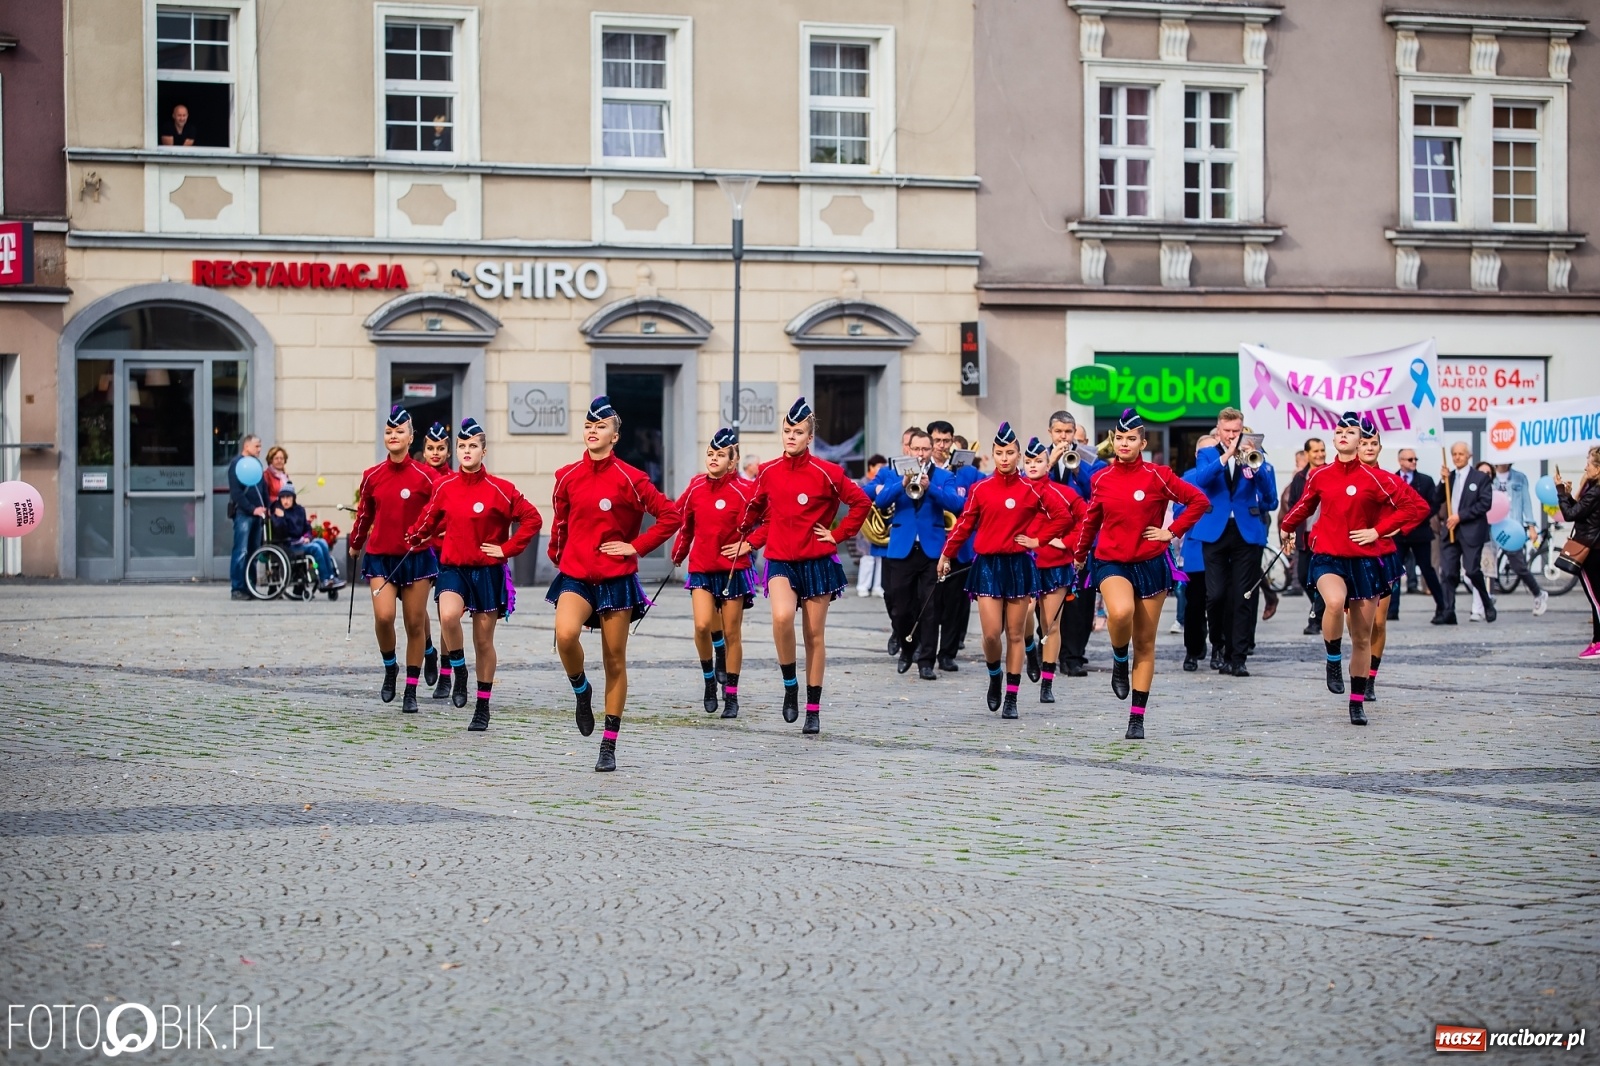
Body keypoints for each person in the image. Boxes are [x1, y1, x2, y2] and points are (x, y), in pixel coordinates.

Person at [545, 397, 681, 768]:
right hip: (576, 575)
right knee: (565, 635)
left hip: (616, 578)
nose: (593, 431)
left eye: (601, 426)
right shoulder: (567, 476)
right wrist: (558, 554)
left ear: (615, 436)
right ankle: (581, 688)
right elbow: (560, 522)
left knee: (614, 661)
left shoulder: (632, 479)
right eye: (589, 425)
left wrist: (636, 546)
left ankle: (608, 745)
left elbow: (670, 516)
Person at [1280, 413, 1430, 725]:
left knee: (1362, 637)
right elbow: (1305, 505)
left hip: (1364, 561)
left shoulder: (1377, 478)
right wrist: (1286, 527)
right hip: (1329, 556)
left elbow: (1416, 507)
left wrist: (1380, 530)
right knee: (1334, 602)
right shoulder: (1320, 475)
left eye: (1350, 432)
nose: (1343, 435)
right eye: (1339, 431)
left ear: (1360, 442)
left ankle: (1357, 701)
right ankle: (1333, 659)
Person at [1071, 409, 1209, 740]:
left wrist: (1171, 532)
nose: (1124, 443)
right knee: (1121, 612)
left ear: (1143, 443)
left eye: (1131, 438)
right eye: (1119, 438)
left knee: (1145, 643)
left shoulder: (1158, 475)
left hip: (1150, 563)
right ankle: (1119, 658)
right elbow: (1091, 520)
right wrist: (1079, 555)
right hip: (1111, 561)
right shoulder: (1101, 478)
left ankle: (1137, 718)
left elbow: (1198, 501)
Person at [737, 397, 872, 735]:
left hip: (817, 561)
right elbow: (755, 506)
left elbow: (861, 502)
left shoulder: (828, 472)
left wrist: (837, 534)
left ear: (810, 437)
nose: (791, 437)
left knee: (814, 635)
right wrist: (745, 529)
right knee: (782, 617)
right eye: (787, 431)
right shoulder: (768, 470)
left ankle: (813, 708)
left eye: (798, 432)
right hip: (780, 558)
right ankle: (790, 684)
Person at [408, 417, 541, 732]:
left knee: (483, 642)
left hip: (487, 573)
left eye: (472, 446)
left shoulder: (501, 489)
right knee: (447, 616)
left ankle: (482, 707)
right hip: (453, 568)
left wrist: (506, 549)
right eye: (462, 446)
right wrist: (414, 535)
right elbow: (428, 519)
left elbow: (532, 519)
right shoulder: (445, 486)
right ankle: (459, 669)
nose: (466, 451)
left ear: (484, 451)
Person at [938, 429, 1064, 719]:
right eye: (999, 453)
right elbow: (964, 524)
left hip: (1018, 566)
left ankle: (1012, 697)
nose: (1004, 458)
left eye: (1009, 453)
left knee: (1016, 634)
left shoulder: (1032, 488)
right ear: (993, 455)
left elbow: (1063, 517)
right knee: (992, 634)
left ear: (1018, 455)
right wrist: (946, 554)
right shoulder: (981, 488)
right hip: (987, 566)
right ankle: (995, 675)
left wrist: (1038, 540)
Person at [349, 406, 438, 713]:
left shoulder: (428, 476)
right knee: (384, 617)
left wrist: (430, 535)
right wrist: (355, 543)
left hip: (416, 559)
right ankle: (390, 667)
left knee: (415, 623)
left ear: (411, 438)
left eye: (400, 431)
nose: (393, 436)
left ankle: (410, 690)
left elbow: (440, 513)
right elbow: (364, 514)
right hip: (380, 557)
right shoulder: (372, 476)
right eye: (389, 432)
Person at [672, 427, 760, 719]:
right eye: (710, 453)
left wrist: (749, 544)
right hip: (701, 567)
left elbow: (769, 519)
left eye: (720, 455)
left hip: (733, 569)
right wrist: (679, 553)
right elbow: (684, 522)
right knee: (702, 626)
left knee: (732, 632)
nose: (713, 458)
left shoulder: (746, 489)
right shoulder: (696, 486)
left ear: (733, 461)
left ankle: (731, 695)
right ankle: (709, 679)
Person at [1185, 408, 1278, 677]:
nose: (1232, 435)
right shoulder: (1208, 453)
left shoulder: (1256, 455)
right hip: (1215, 530)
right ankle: (1219, 644)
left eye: (1236, 431)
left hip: (1246, 531)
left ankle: (1237, 658)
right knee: (1215, 595)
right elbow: (1203, 479)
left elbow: (1270, 499)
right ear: (1218, 430)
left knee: (1242, 595)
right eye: (1227, 431)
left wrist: (1256, 466)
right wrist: (1226, 455)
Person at [876, 429, 966, 680]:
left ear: (932, 450)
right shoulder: (894, 472)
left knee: (930, 608)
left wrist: (931, 488)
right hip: (902, 548)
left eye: (925, 449)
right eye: (916, 449)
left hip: (931, 551)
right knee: (900, 608)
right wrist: (903, 483)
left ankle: (926, 661)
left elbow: (957, 505)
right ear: (908, 449)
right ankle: (907, 649)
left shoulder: (945, 476)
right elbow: (881, 502)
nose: (921, 454)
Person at [1356, 422, 1428, 702]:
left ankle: (1369, 679)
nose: (1369, 448)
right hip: (1350, 556)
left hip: (1383, 556)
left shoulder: (1389, 479)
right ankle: (1356, 671)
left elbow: (1420, 507)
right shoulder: (1343, 477)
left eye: (1373, 443)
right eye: (1364, 443)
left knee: (1378, 623)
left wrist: (1396, 528)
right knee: (1356, 627)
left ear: (1380, 447)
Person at [1019, 436, 1086, 703]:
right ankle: (1029, 649)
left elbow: (1087, 519)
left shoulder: (1064, 493)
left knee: (1050, 624)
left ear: (1049, 464)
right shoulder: (1014, 491)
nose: (1033, 465)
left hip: (1054, 564)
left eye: (1038, 461)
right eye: (1028, 461)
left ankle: (1047, 681)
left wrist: (1067, 542)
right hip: (1022, 564)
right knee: (1022, 618)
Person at [1045, 410, 1105, 681]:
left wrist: (1077, 468)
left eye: (1068, 432)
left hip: (1080, 540)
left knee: (1081, 602)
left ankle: (1074, 657)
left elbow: (1096, 492)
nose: (1063, 437)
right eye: (1058, 432)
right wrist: (1049, 463)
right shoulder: (1039, 456)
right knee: (1047, 599)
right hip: (1047, 540)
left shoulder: (1091, 460)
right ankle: (1048, 653)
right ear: (1050, 433)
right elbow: (1030, 489)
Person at [928, 420, 983, 671]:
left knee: (955, 606)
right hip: (929, 546)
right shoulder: (922, 468)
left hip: (959, 549)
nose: (941, 445)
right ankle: (923, 648)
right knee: (929, 602)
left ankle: (947, 654)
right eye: (937, 441)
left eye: (946, 441)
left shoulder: (967, 472)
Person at [1435, 441, 1496, 625]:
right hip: (1451, 531)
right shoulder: (1450, 477)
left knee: (1472, 570)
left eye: (1461, 454)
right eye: (1454, 454)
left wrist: (1460, 516)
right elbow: (1437, 498)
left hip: (1471, 531)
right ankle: (1448, 611)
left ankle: (1487, 602)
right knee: (1448, 572)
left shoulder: (1480, 478)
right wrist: (1443, 481)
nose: (1457, 457)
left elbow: (1484, 504)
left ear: (1469, 456)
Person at [416, 421, 455, 698]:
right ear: (424, 450)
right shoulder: (416, 477)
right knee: (416, 611)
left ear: (448, 452)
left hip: (446, 552)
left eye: (440, 448)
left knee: (445, 614)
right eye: (431, 448)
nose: (435, 453)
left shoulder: (455, 479)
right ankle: (428, 650)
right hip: (422, 550)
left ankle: (446, 673)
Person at [1176, 436, 1219, 671]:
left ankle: (1219, 649)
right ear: (1196, 455)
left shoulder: (1224, 476)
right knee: (1194, 604)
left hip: (1220, 548)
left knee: (1219, 602)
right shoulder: (1188, 478)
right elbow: (1178, 512)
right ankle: (1192, 650)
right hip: (1196, 548)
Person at [1554, 447, 1600, 659]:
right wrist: (1568, 496)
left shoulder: (1596, 491)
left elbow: (1570, 515)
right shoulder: (1593, 490)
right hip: (1593, 546)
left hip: (1590, 549)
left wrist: (1560, 492)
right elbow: (1582, 512)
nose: (1585, 467)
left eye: (1589, 463)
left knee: (1596, 598)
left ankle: (1598, 643)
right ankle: (1596, 641)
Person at [1391, 447, 1444, 622]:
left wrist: (1420, 517)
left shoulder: (1425, 481)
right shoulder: (1391, 479)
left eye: (1415, 459)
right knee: (1395, 571)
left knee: (1427, 569)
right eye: (1410, 459)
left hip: (1420, 532)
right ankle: (1392, 610)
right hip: (1399, 534)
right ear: (1400, 461)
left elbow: (1434, 504)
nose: (1414, 462)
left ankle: (1442, 606)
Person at [1493, 462, 1549, 616]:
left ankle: (1538, 594)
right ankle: (1487, 600)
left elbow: (1526, 502)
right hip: (1493, 526)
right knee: (1487, 564)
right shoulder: (1490, 477)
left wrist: (1531, 526)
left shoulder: (1519, 478)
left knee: (1518, 566)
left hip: (1512, 527)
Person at [268, 482, 344, 590]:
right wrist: (281, 518)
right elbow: (281, 533)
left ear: (293, 498)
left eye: (288, 497)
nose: (285, 500)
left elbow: (307, 528)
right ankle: (324, 579)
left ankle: (332, 577)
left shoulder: (299, 510)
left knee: (322, 542)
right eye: (283, 498)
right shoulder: (278, 512)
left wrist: (308, 537)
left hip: (300, 542)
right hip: (288, 545)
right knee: (315, 548)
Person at [227, 435, 269, 600]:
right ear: (246, 446)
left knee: (253, 552)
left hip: (258, 514)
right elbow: (236, 493)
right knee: (241, 551)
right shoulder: (237, 464)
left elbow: (262, 487)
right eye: (257, 446)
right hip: (244, 514)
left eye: (260, 446)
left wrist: (266, 507)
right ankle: (237, 588)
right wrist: (252, 509)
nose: (259, 449)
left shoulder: (257, 464)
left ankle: (250, 586)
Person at [856, 454, 888, 598]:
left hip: (881, 525)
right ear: (871, 467)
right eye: (880, 466)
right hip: (867, 525)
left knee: (880, 557)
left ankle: (878, 586)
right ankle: (863, 586)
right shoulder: (863, 482)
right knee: (867, 557)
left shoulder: (885, 481)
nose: (882, 469)